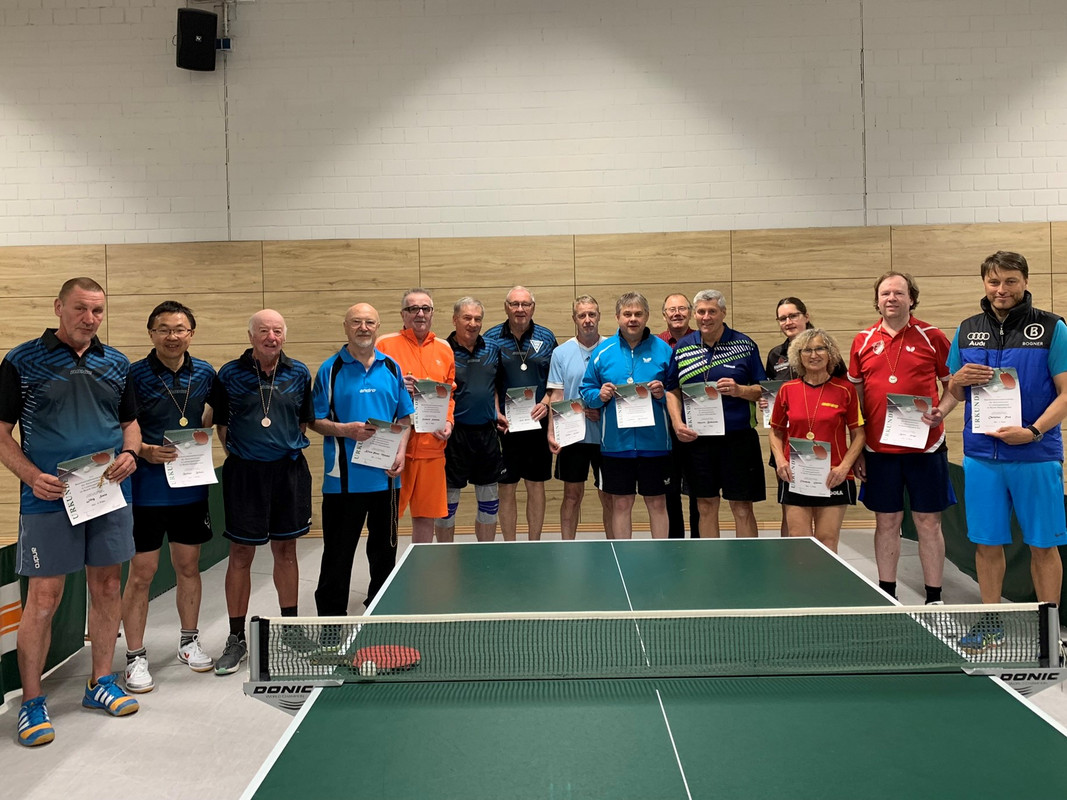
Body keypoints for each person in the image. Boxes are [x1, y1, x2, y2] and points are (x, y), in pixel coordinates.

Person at [0, 277, 142, 747]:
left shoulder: (116, 362)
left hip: (106, 492)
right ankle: (32, 701)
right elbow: (1, 432)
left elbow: (130, 422)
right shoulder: (21, 361)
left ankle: (100, 681)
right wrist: (29, 475)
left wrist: (131, 453)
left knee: (107, 586)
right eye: (80, 308)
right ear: (58, 307)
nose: (90, 318)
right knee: (44, 598)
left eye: (97, 310)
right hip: (48, 498)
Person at [940, 251, 1067, 647]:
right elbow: (954, 390)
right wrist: (957, 379)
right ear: (984, 283)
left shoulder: (1053, 328)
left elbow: (1066, 392)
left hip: (1035, 455)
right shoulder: (967, 329)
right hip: (982, 457)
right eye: (994, 281)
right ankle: (990, 620)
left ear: (1025, 282)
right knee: (987, 543)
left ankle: (1049, 630)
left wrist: (1033, 431)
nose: (1001, 289)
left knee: (1043, 545)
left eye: (1010, 281)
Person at [121, 301, 222, 693]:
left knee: (188, 567)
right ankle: (135, 657)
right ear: (151, 333)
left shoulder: (206, 373)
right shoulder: (133, 374)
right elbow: (119, 426)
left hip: (190, 488)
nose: (172, 336)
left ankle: (188, 642)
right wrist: (144, 450)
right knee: (142, 573)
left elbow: (212, 417)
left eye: (180, 329)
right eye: (163, 329)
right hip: (146, 490)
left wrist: (203, 435)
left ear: (191, 333)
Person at [213, 309, 314, 676]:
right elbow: (222, 425)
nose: (271, 337)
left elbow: (303, 421)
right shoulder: (229, 374)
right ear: (251, 336)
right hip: (245, 474)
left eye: (277, 331)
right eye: (264, 331)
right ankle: (236, 637)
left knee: (286, 551)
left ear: (284, 335)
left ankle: (291, 630)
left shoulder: (299, 373)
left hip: (288, 472)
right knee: (240, 553)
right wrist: (245, 455)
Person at [848, 272, 955, 604]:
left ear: (912, 298)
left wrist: (942, 411)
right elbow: (856, 398)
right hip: (879, 449)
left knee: (928, 522)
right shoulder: (862, 340)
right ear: (877, 300)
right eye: (885, 293)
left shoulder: (932, 336)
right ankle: (887, 594)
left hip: (926, 446)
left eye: (898, 292)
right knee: (886, 521)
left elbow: (953, 386)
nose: (891, 298)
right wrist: (858, 449)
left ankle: (934, 597)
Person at [310, 303, 413, 613]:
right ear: (346, 327)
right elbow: (314, 420)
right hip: (343, 482)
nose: (363, 328)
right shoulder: (330, 369)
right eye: (356, 322)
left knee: (385, 554)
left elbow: (405, 418)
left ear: (378, 327)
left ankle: (380, 612)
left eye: (369, 322)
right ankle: (331, 623)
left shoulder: (391, 367)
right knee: (337, 555)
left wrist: (401, 453)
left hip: (386, 480)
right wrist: (345, 430)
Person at [666, 290, 767, 538]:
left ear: (723, 313)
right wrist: (677, 423)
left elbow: (763, 390)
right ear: (695, 314)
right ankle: (711, 560)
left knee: (742, 507)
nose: (706, 317)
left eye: (712, 311)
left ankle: (747, 558)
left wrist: (740, 390)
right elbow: (672, 390)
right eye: (701, 311)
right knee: (705, 505)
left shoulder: (745, 345)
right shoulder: (683, 347)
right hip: (698, 440)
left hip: (738, 439)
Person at [580, 292, 673, 539]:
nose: (633, 319)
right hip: (616, 445)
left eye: (638, 314)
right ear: (617, 317)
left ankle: (660, 553)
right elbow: (586, 389)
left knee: (657, 502)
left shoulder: (664, 350)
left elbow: (677, 394)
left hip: (655, 444)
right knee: (621, 503)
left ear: (647, 316)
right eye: (627, 314)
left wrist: (662, 394)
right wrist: (599, 395)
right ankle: (623, 554)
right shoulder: (603, 351)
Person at [768, 329, 865, 552]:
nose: (814, 355)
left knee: (827, 541)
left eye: (820, 348)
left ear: (830, 353)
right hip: (796, 474)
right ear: (798, 356)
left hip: (834, 475)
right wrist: (780, 460)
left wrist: (844, 467)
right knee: (799, 540)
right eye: (807, 350)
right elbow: (776, 432)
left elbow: (859, 434)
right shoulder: (787, 390)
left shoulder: (845, 390)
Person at [761, 297, 846, 537]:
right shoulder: (775, 355)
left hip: (824, 445)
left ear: (806, 316)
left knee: (824, 519)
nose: (788, 322)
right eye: (782, 318)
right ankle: (792, 557)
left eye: (793, 316)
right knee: (791, 512)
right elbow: (771, 391)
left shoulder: (827, 350)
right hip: (788, 444)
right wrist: (766, 401)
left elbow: (843, 393)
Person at [376, 289, 455, 543]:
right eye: (413, 309)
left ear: (432, 313)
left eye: (425, 309)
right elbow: (372, 390)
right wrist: (398, 385)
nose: (420, 314)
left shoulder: (444, 348)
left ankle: (421, 564)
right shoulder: (384, 345)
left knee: (425, 517)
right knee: (387, 515)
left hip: (432, 447)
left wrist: (449, 422)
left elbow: (450, 394)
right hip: (394, 446)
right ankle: (385, 566)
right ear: (403, 314)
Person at [483, 286, 558, 540]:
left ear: (533, 308)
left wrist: (546, 403)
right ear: (506, 307)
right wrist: (496, 412)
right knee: (506, 487)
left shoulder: (547, 337)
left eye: (525, 304)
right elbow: (488, 381)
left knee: (536, 485)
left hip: (538, 423)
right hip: (505, 426)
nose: (520, 309)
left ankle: (534, 543)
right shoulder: (491, 337)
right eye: (514, 304)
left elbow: (556, 381)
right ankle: (510, 545)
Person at [436, 298, 504, 542]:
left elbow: (494, 387)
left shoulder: (492, 348)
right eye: (467, 318)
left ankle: (485, 556)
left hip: (486, 435)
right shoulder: (442, 350)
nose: (473, 323)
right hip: (453, 437)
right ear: (455, 320)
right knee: (446, 507)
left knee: (489, 505)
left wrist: (497, 412)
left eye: (477, 319)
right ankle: (445, 557)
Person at [546, 295, 613, 539]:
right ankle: (568, 546)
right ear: (574, 318)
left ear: (599, 316)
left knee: (609, 496)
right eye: (582, 315)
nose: (587, 320)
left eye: (592, 314)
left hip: (606, 436)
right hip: (572, 436)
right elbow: (557, 395)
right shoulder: (560, 353)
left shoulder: (612, 349)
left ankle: (614, 547)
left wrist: (602, 410)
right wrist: (551, 432)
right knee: (572, 496)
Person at [658, 293, 699, 539]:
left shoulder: (701, 340)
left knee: (698, 490)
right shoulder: (656, 344)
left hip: (698, 427)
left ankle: (699, 541)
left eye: (682, 308)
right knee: (669, 490)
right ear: (664, 315)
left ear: (690, 312)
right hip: (665, 428)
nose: (677, 313)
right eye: (671, 310)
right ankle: (674, 543)